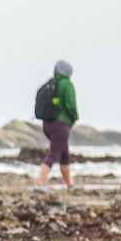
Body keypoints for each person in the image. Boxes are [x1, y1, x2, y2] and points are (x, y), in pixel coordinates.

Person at [36, 60, 78, 190]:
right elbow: (71, 105)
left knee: (64, 155)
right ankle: (40, 182)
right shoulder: (67, 84)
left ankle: (70, 185)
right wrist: (74, 118)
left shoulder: (51, 83)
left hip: (47, 124)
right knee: (54, 154)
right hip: (60, 125)